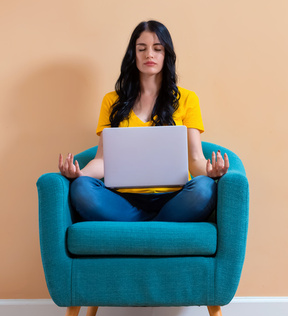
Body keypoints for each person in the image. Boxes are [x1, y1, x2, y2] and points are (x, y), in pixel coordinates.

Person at [58, 20, 229, 222]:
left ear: (166, 55)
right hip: (123, 200)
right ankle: (159, 224)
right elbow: (103, 160)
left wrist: (210, 172)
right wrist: (80, 175)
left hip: (175, 198)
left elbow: (195, 159)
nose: (149, 54)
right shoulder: (111, 101)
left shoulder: (187, 99)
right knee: (81, 188)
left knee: (205, 187)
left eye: (157, 49)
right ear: (133, 55)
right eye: (142, 49)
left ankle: (147, 223)